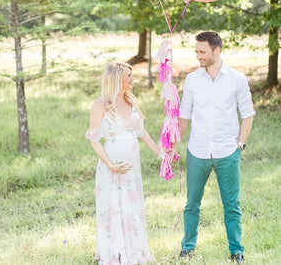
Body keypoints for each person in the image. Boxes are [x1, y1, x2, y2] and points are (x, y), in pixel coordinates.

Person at [173, 31, 255, 264]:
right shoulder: (192, 80)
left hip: (227, 152)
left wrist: (239, 144)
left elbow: (247, 115)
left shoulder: (237, 79)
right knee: (191, 205)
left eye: (202, 52)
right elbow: (184, 116)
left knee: (232, 206)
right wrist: (173, 143)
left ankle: (236, 251)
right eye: (196, 51)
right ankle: (187, 248)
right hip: (197, 151)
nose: (198, 56)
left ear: (216, 51)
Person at [86, 61, 160, 265]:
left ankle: (134, 249)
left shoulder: (131, 101)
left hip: (132, 170)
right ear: (117, 78)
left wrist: (160, 152)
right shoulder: (101, 104)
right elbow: (94, 140)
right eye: (129, 75)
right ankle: (114, 252)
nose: (132, 79)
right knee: (113, 209)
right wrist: (110, 164)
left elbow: (141, 133)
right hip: (111, 170)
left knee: (131, 208)